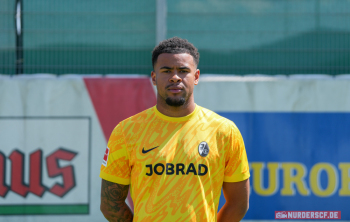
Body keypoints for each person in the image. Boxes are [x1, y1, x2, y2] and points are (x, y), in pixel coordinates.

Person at [99, 37, 250, 222]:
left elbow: (238, 203)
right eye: (166, 70)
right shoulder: (126, 131)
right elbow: (110, 203)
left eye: (183, 71)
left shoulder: (224, 131)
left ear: (196, 77)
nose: (175, 77)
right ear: (154, 77)